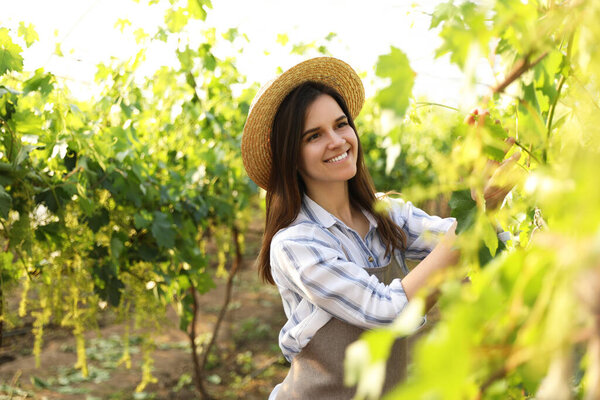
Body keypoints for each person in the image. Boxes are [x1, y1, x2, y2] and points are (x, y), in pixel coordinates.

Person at [241, 57, 517, 399]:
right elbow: (385, 310)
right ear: (290, 155)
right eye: (313, 136)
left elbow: (478, 248)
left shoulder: (387, 212)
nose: (337, 140)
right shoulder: (296, 243)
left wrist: (484, 200)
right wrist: (475, 217)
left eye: (341, 125)